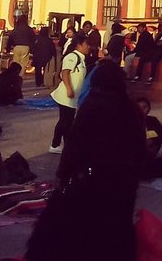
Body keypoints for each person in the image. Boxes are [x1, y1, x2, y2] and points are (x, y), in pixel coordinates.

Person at [26, 60, 146, 261]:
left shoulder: (92, 106)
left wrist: (62, 174)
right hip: (124, 180)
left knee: (88, 226)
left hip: (94, 179)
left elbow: (75, 145)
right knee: (118, 228)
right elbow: (140, 147)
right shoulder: (132, 109)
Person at [49, 33, 91, 153]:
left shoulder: (81, 59)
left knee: (67, 122)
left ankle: (67, 145)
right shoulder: (72, 57)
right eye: (86, 44)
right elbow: (65, 72)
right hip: (66, 95)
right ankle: (55, 145)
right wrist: (69, 89)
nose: (88, 47)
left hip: (72, 96)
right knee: (65, 121)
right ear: (79, 45)